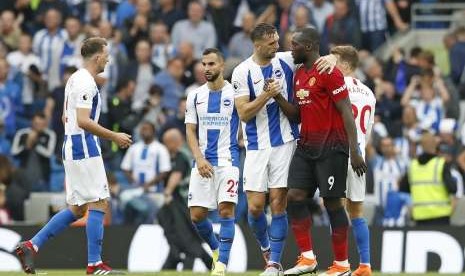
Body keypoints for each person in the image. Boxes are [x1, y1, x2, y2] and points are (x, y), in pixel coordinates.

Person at [15, 37, 132, 275]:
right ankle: (95, 265)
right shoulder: (87, 83)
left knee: (78, 208)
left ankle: (31, 245)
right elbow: (83, 120)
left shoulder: (74, 79)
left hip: (72, 145)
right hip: (84, 148)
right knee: (99, 201)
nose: (108, 59)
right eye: (106, 54)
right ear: (98, 56)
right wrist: (114, 136)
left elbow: (65, 118)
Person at [277, 28, 367, 276]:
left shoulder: (330, 72)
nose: (291, 49)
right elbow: (297, 115)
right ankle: (307, 258)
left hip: (332, 147)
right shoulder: (298, 75)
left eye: (294, 45)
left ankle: (341, 264)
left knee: (332, 204)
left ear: (307, 47)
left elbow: (347, 111)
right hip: (306, 146)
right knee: (294, 196)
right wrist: (277, 97)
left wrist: (355, 149)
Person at [230, 23, 300, 276]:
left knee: (278, 203)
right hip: (256, 146)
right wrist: (266, 95)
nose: (277, 46)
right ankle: (266, 248)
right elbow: (244, 114)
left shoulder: (286, 61)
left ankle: (274, 264)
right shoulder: (241, 71)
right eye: (272, 43)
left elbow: (314, 53)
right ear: (257, 45)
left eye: (278, 41)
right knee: (255, 207)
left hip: (285, 142)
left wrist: (329, 59)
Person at [185, 48, 240, 276]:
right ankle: (217, 249)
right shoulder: (195, 95)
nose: (206, 68)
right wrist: (198, 158)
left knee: (226, 211)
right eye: (204, 64)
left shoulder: (236, 94)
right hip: (203, 162)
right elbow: (190, 129)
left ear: (222, 66)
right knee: (197, 216)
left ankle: (221, 266)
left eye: (211, 64)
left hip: (228, 161)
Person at [331, 46, 376, 275]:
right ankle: (365, 265)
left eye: (334, 61)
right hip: (359, 155)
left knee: (335, 208)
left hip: (338, 151)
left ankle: (340, 264)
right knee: (356, 211)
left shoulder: (336, 87)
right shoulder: (369, 93)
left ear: (346, 66)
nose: (330, 66)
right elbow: (367, 133)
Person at [399, 132, 457, 225]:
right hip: (440, 216)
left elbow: (403, 188)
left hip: (420, 216)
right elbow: (453, 188)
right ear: (435, 144)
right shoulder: (440, 164)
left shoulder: (413, 166)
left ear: (421, 146)